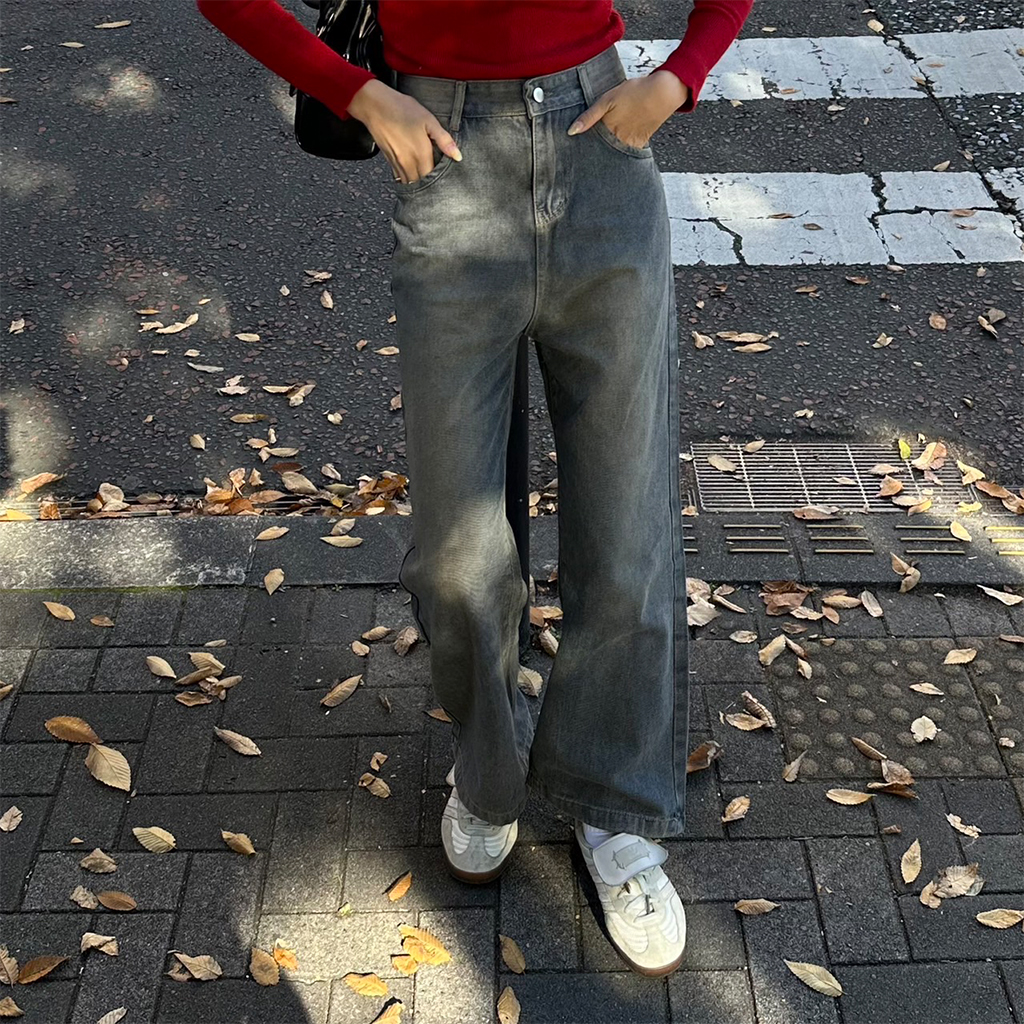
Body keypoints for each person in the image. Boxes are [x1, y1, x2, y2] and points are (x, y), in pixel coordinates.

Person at [196, 0, 754, 978]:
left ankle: (613, 803)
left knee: (626, 538)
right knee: (459, 559)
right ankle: (490, 774)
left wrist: (681, 75)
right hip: (448, 158)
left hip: (599, 152)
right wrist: (359, 93)